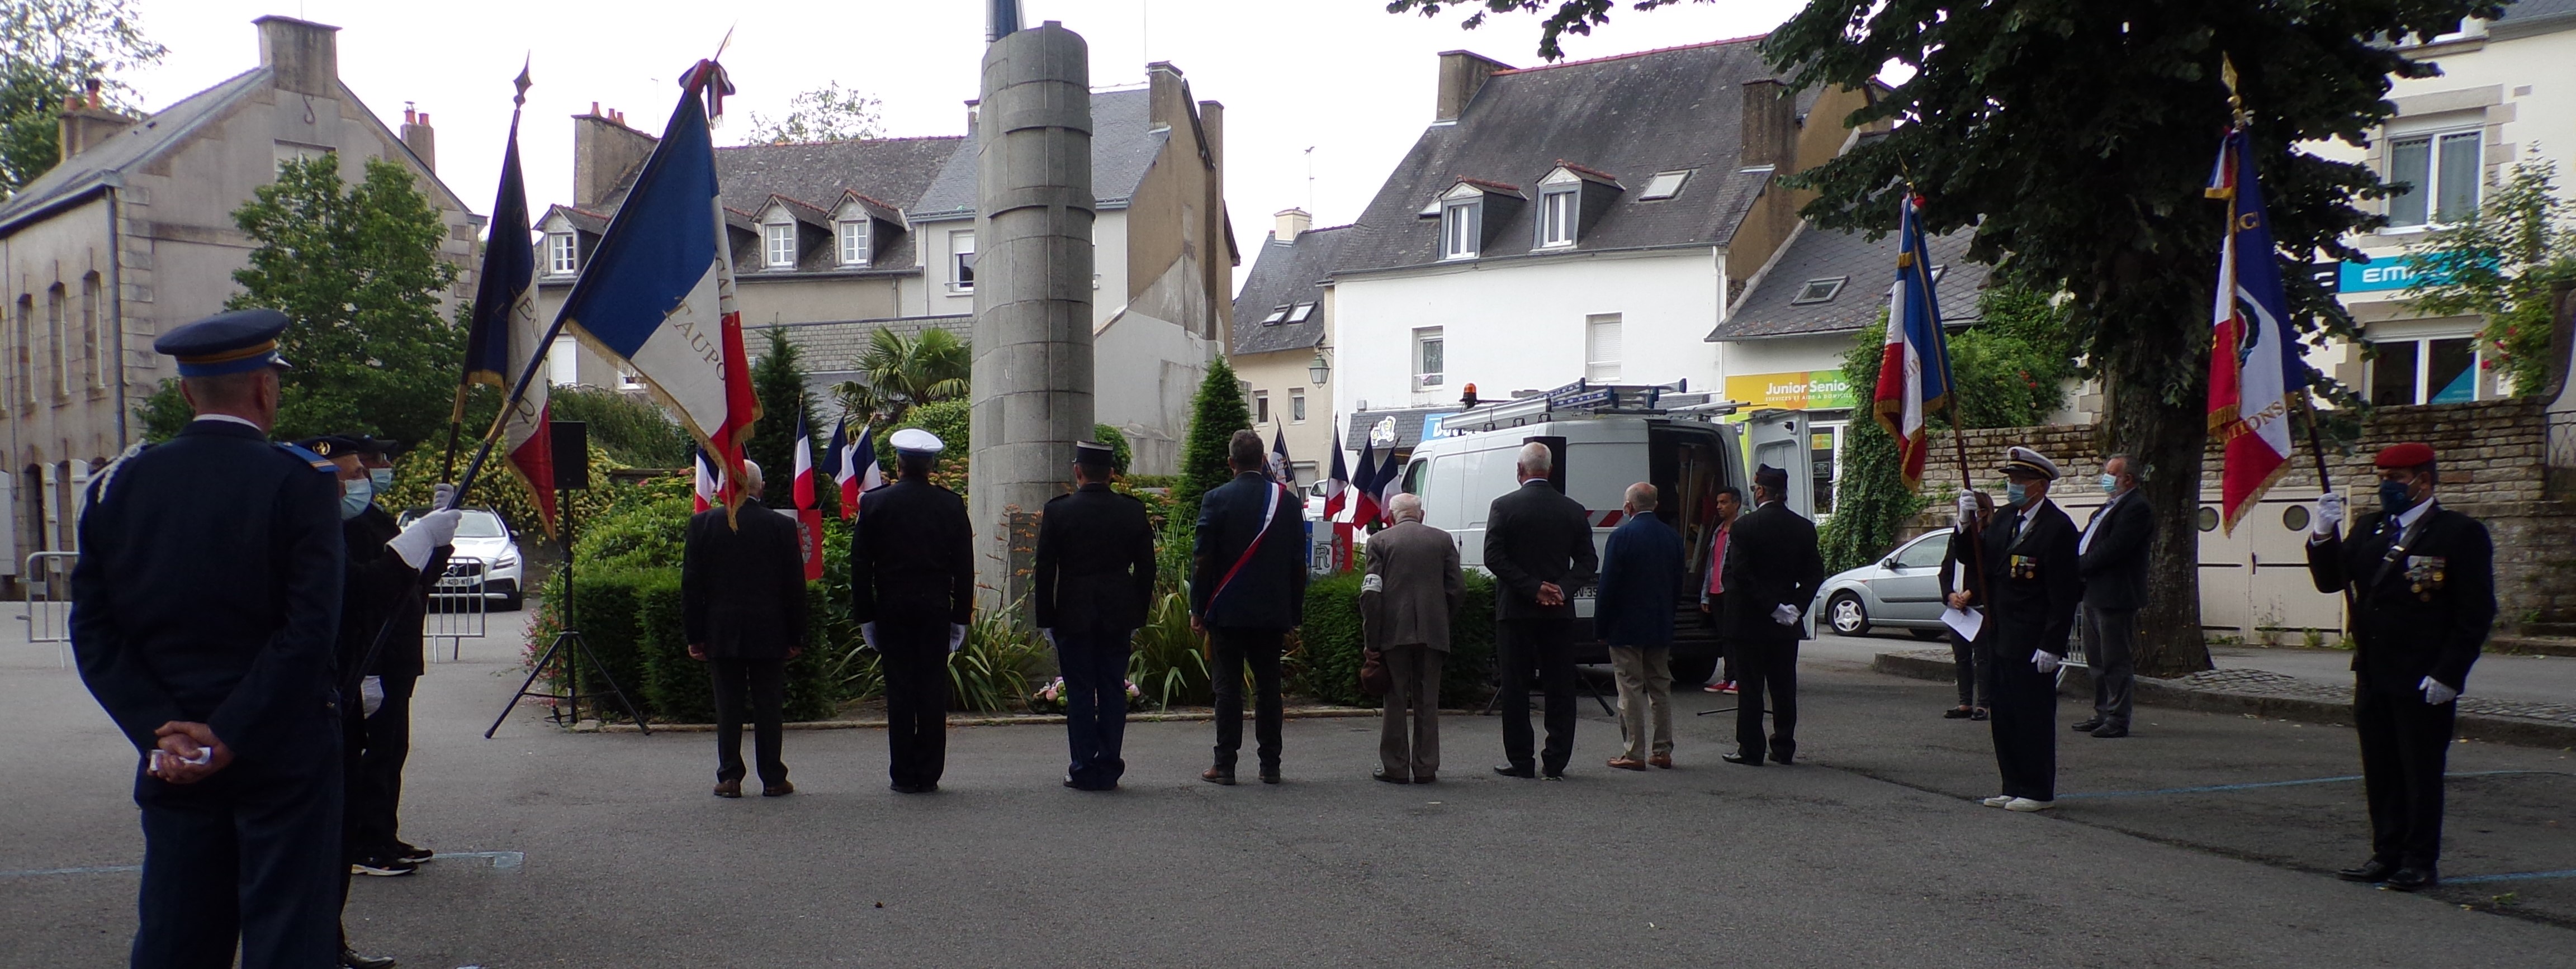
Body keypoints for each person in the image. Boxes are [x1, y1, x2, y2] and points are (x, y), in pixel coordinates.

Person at [70, 308, 348, 967]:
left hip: (173, 755)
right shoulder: (299, 482)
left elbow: (94, 630)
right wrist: (230, 732)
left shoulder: (118, 487)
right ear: (265, 388)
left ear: (186, 393)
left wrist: (164, 730)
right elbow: (309, 628)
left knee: (178, 936)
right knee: (289, 937)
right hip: (281, 749)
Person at [2306, 442, 2493, 891]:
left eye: (2396, 479)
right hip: (2374, 669)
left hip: (2424, 674)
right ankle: (2386, 852)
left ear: (2423, 481)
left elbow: (2475, 612)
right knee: (2381, 768)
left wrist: (2450, 673)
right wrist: (2322, 535)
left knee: (2420, 771)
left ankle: (2419, 860)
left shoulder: (2458, 533)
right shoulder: (2371, 527)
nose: (2386, 486)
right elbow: (2332, 581)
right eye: (2383, 479)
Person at [340, 436, 444, 877]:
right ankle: (365, 843)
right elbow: (371, 589)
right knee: (373, 755)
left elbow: (414, 580)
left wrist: (438, 539)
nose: (380, 469)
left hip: (397, 652)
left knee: (392, 750)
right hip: (374, 655)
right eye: (368, 464)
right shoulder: (346, 526)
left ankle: (384, 833)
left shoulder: (373, 516)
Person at [851, 429, 973, 794]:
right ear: (931, 465)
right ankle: (929, 772)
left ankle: (903, 774)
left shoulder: (875, 504)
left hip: (892, 607)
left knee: (901, 689)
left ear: (898, 463)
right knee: (932, 689)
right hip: (935, 608)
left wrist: (866, 616)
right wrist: (960, 617)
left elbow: (861, 566)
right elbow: (964, 567)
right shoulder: (950, 505)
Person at [1033, 440, 1157, 791]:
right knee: (1113, 689)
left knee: (1080, 691)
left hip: (1073, 611)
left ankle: (1084, 766)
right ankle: (1110, 765)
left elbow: (1045, 570)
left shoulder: (1059, 511)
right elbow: (1146, 569)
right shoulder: (1132, 511)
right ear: (1112, 474)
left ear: (1078, 472)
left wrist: (1046, 618)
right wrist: (1137, 614)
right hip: (1118, 612)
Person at [683, 459, 809, 799]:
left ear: (725, 488)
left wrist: (695, 636)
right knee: (769, 705)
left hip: (721, 631)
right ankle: (773, 777)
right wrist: (797, 635)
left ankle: (729, 777)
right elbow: (794, 587)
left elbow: (692, 587)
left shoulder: (702, 525)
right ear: (760, 488)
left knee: (728, 706)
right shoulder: (781, 525)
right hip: (770, 631)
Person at [1190, 429, 1308, 785]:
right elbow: (1298, 563)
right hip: (1271, 612)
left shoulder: (1216, 499)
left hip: (1226, 610)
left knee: (1227, 690)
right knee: (1269, 688)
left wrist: (1198, 608)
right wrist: (1294, 612)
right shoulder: (1287, 502)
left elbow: (1202, 560)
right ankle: (1270, 765)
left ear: (1231, 462)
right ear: (1263, 460)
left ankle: (1225, 765)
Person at [1972, 446, 2081, 812]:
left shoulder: (2057, 527)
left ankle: (2037, 789)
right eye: (2011, 479)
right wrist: (1964, 528)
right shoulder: (2005, 518)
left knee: (2032, 715)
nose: (2013, 486)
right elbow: (1980, 562)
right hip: (2000, 632)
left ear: (2040, 486)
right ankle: (2012, 783)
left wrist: (2053, 644)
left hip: (2033, 637)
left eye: (2020, 480)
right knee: (2004, 714)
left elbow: (2064, 593)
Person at [1484, 441, 1598, 780]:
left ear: (1519, 470)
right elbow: (1588, 561)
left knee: (1515, 686)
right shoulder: (1573, 509)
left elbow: (1494, 557)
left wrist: (1532, 588)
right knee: (1560, 686)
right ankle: (1556, 760)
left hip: (1515, 612)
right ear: (1550, 470)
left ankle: (1521, 761)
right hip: (1559, 613)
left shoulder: (1503, 507)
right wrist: (1561, 588)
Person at [1718, 465, 1823, 767]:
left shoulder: (1744, 527)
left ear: (1761, 491)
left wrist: (1770, 606)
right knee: (1784, 686)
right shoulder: (1803, 527)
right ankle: (1784, 746)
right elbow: (1815, 573)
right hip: (1786, 623)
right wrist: (1794, 607)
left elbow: (1740, 574)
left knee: (1751, 688)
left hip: (1750, 620)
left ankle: (1751, 748)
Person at [1359, 492, 1462, 784]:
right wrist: (1441, 617)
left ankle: (1395, 767)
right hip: (1433, 632)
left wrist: (1371, 642)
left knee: (1394, 699)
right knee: (1428, 700)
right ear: (1422, 515)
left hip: (1393, 633)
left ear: (1391, 517)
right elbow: (1458, 589)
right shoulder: (1442, 540)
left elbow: (1371, 594)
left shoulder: (1379, 542)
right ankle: (1426, 767)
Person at [1596, 482, 1689, 771]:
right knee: (1660, 687)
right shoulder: (1672, 537)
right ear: (1656, 505)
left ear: (1628, 507)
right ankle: (1662, 750)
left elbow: (1608, 586)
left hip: (1625, 626)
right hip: (1660, 624)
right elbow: (1678, 584)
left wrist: (1601, 626)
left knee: (1630, 688)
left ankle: (1634, 751)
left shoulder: (1621, 537)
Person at [2073, 453, 2152, 738]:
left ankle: (2118, 718)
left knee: (2115, 660)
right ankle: (2102, 712)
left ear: (2127, 479)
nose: (2105, 478)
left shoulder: (2137, 508)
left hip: (2116, 594)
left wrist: (2077, 566)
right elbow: (2088, 541)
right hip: (2094, 592)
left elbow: (2113, 549)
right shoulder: (2107, 508)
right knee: (2096, 659)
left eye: (2111, 474)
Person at [1940, 490, 1998, 721]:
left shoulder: (1990, 536)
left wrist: (1970, 593)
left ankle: (1984, 704)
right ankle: (1964, 702)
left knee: (1983, 657)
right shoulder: (1958, 536)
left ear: (1983, 512)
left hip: (1979, 607)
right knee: (1961, 657)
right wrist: (1949, 595)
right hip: (1956, 607)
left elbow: (1989, 570)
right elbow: (1946, 569)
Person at [1698, 486, 1744, 695]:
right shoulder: (1718, 531)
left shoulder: (1741, 530)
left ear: (1736, 504)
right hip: (1716, 591)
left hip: (1733, 592)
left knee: (1736, 637)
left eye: (1724, 502)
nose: (1719, 507)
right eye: (1718, 503)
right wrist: (1706, 595)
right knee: (1724, 637)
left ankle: (1739, 678)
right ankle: (1728, 677)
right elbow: (1712, 564)